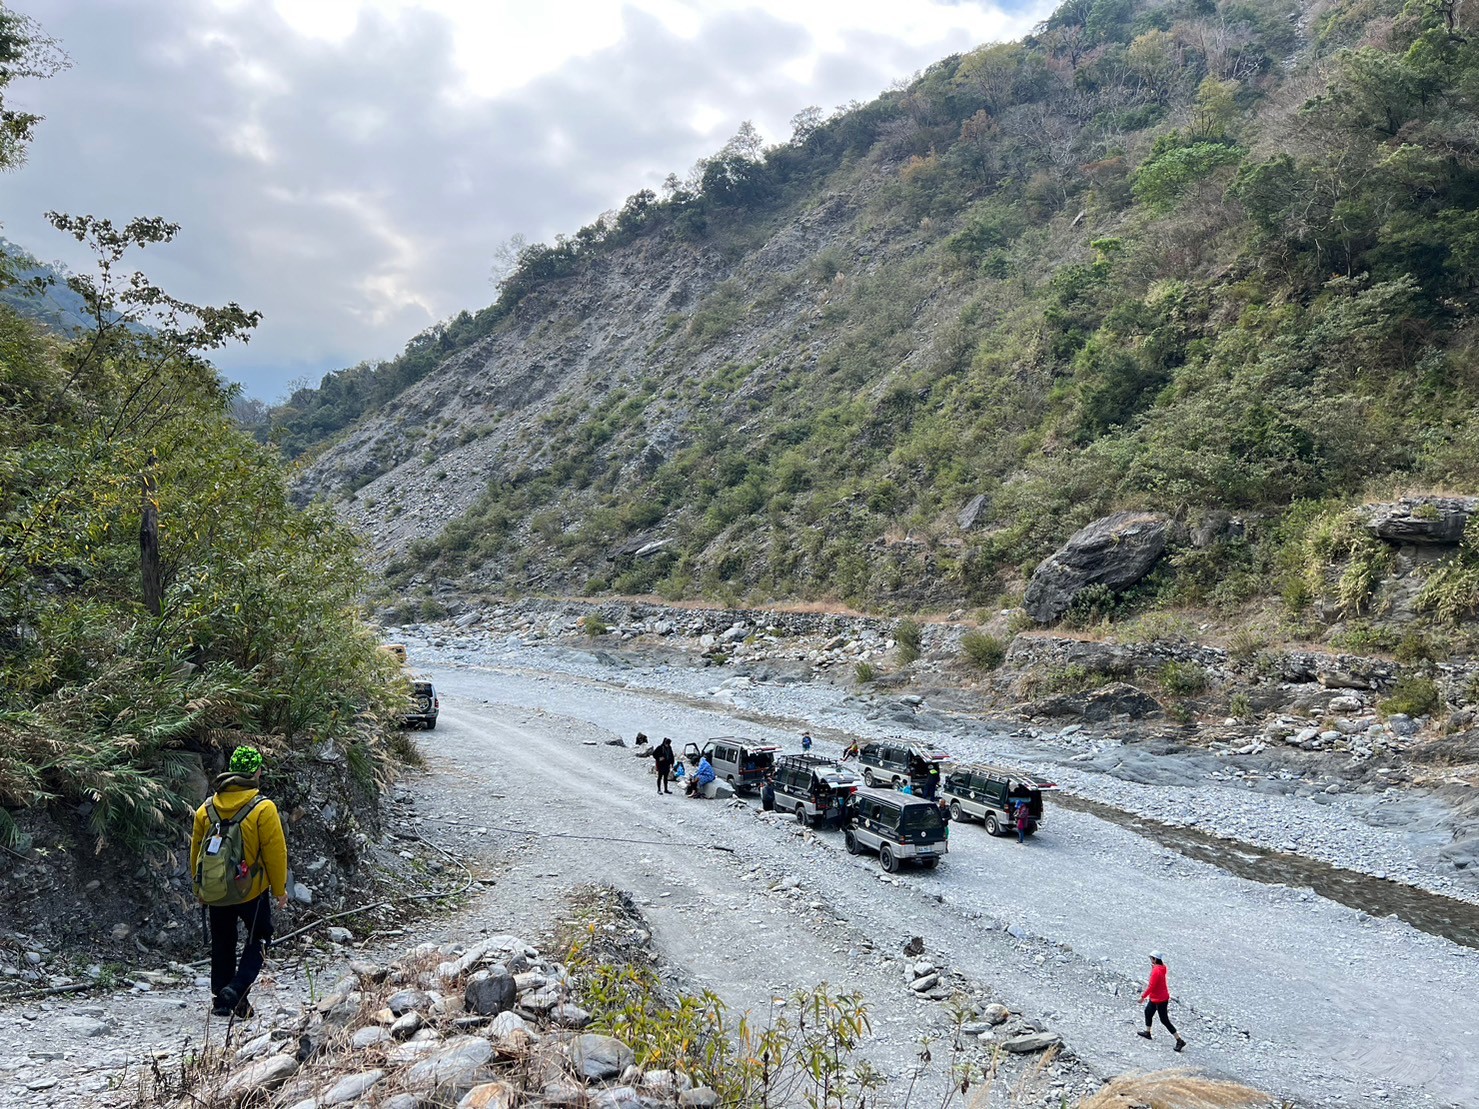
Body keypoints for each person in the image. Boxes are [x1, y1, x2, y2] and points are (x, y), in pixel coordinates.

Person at [189, 746, 288, 1019]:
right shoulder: (263, 808)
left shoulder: (205, 809)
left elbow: (196, 852)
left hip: (217, 889)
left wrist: (200, 888)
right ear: (255, 771)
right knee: (261, 936)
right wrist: (280, 890)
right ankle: (237, 986)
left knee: (223, 940)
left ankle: (223, 1000)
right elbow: (275, 853)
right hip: (251, 891)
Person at [1137, 951, 1186, 1052]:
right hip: (1158, 997)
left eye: (1151, 958)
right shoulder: (1162, 967)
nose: (1150, 960)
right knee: (1148, 1012)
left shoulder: (1156, 971)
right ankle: (1147, 1032)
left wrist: (1143, 997)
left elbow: (1151, 986)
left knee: (1164, 1020)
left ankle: (1179, 1040)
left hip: (1159, 999)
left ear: (1154, 959)